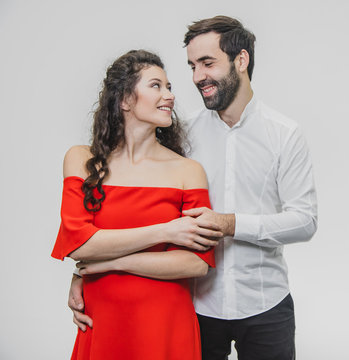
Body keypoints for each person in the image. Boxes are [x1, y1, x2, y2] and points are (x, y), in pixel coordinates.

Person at [69, 16, 318, 360]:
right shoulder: (181, 139)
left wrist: (231, 224)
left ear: (241, 61)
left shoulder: (284, 134)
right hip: (195, 307)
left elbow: (304, 221)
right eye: (192, 66)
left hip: (265, 304)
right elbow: (135, 215)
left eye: (207, 63)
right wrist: (85, 275)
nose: (197, 76)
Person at [52, 49, 222, 360]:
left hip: (166, 323)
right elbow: (79, 244)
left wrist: (113, 263)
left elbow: (197, 263)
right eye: (156, 85)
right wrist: (166, 231)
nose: (169, 95)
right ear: (124, 100)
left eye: (169, 87)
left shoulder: (188, 171)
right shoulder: (80, 160)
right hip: (103, 322)